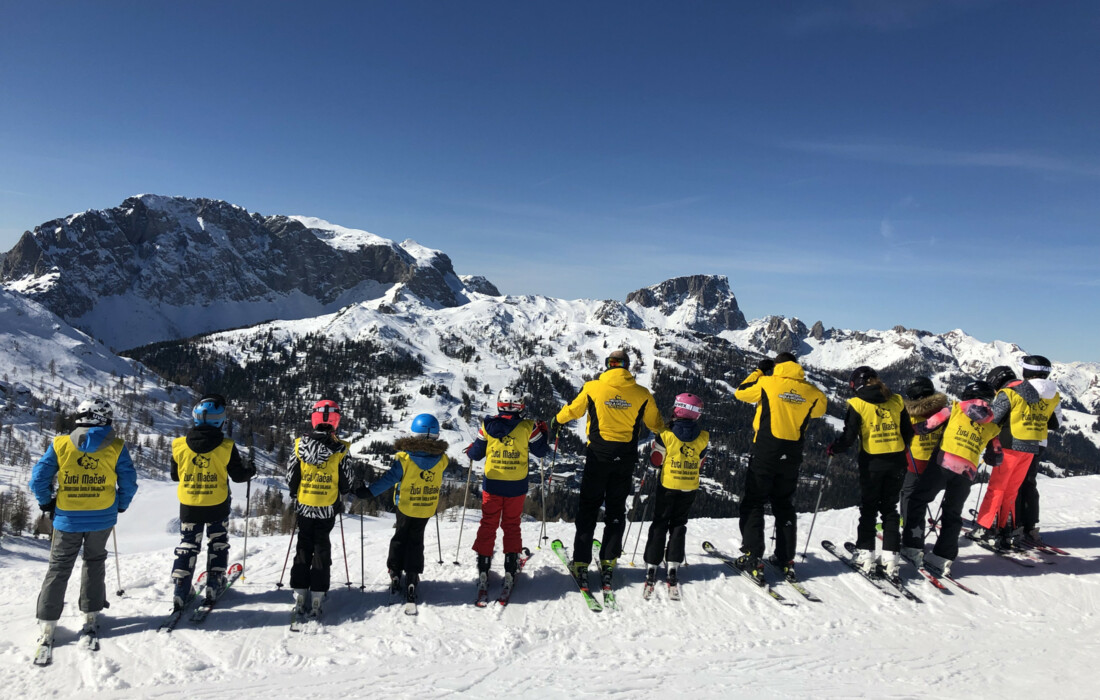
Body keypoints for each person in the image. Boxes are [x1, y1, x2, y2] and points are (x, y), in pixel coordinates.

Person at [554, 348, 665, 590]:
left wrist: (556, 421)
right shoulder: (642, 393)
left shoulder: (593, 388)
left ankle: (581, 562)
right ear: (626, 367)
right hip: (624, 458)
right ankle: (608, 560)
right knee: (616, 510)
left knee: (589, 508)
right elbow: (655, 423)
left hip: (598, 456)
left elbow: (573, 410)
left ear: (609, 365)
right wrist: (668, 431)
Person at [29, 398, 138, 645]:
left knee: (59, 567)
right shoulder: (117, 446)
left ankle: (47, 622)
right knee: (94, 561)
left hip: (67, 518)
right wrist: (120, 504)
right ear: (105, 419)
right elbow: (128, 482)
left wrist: (47, 503)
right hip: (102, 517)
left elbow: (38, 479)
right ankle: (90, 614)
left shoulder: (61, 444)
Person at [733, 352, 827, 582]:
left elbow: (741, 392)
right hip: (792, 454)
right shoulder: (814, 392)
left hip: (765, 450)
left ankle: (753, 556)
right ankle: (785, 558)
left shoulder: (766, 382)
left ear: (777, 366)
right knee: (784, 504)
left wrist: (759, 371)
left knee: (754, 501)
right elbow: (819, 411)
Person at [901, 380, 1003, 575]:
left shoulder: (955, 409)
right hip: (967, 473)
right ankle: (943, 557)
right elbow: (996, 457)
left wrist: (907, 430)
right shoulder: (992, 427)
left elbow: (927, 426)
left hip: (943, 463)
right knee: (952, 514)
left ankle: (912, 545)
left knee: (917, 499)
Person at [170, 394, 255, 610]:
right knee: (217, 542)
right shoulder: (226, 446)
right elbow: (237, 475)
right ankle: (214, 583)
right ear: (221, 420)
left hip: (189, 503)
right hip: (217, 503)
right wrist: (250, 470)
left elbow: (175, 476)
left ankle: (181, 586)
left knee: (188, 543)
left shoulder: (179, 445)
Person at [827, 367, 913, 580]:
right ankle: (891, 560)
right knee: (890, 510)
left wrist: (834, 448)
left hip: (872, 463)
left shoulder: (857, 403)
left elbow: (849, 437)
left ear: (856, 384)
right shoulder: (896, 400)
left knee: (869, 508)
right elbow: (908, 432)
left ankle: (865, 555)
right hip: (897, 462)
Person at [464, 388, 550, 596]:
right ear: (520, 405)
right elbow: (541, 451)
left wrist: (472, 447)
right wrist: (543, 432)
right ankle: (510, 569)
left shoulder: (487, 425)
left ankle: (483, 568)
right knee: (511, 525)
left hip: (492, 485)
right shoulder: (528, 427)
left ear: (499, 404)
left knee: (488, 524)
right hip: (516, 485)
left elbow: (475, 454)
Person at [357, 413, 449, 604]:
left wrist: (369, 492)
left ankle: (396, 571)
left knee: (400, 536)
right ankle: (413, 574)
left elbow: (390, 479)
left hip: (406, 506)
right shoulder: (442, 459)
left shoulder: (405, 459)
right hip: (427, 507)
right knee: (416, 539)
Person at [972, 356, 1062, 547]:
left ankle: (985, 528)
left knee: (996, 488)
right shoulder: (1051, 395)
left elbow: (992, 418)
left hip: (1010, 444)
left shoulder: (1010, 393)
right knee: (1012, 490)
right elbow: (1052, 422)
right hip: (1032, 446)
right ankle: (1006, 529)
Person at [285, 399, 354, 617]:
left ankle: (300, 590)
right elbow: (347, 483)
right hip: (327, 508)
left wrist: (296, 492)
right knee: (321, 546)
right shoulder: (341, 450)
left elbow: (291, 478)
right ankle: (318, 591)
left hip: (305, 506)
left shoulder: (299, 446)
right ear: (336, 422)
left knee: (303, 545)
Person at [642, 393, 709, 591]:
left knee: (660, 522)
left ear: (676, 409)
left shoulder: (666, 434)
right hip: (690, 485)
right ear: (697, 414)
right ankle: (673, 562)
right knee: (679, 522)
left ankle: (652, 562)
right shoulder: (703, 437)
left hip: (668, 484)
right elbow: (700, 463)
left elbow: (656, 461)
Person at [899, 377, 949, 529]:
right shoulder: (944, 412)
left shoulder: (910, 414)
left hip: (916, 462)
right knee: (923, 495)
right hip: (937, 462)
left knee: (908, 493)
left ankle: (907, 524)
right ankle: (915, 520)